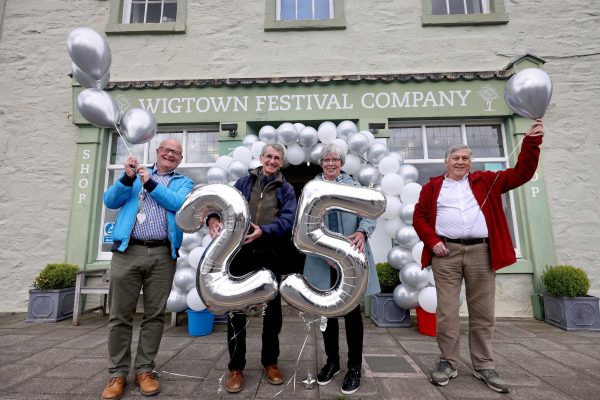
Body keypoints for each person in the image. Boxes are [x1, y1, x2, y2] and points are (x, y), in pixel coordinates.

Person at [412, 119, 544, 394]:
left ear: (471, 162)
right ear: (446, 161)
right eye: (456, 157)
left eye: (466, 158)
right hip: (445, 253)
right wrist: (433, 241)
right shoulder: (432, 187)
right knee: (447, 313)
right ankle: (448, 362)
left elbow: (523, 173)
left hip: (482, 253)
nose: (461, 162)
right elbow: (420, 217)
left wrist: (531, 142)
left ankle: (484, 365)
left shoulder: (487, 180)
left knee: (483, 313)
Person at [101, 139, 194, 400]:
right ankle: (117, 373)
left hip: (163, 254)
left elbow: (177, 204)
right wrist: (127, 179)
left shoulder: (183, 182)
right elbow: (110, 200)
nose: (170, 154)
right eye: (165, 149)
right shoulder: (134, 175)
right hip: (128, 252)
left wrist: (149, 184)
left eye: (175, 152)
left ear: (181, 158)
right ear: (156, 152)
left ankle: (145, 370)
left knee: (154, 316)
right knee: (120, 315)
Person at [207, 143, 297, 394]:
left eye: (277, 158)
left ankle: (270, 363)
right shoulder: (244, 183)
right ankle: (236, 368)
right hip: (240, 255)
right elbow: (224, 205)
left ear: (281, 162)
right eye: (269, 156)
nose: (272, 161)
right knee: (237, 311)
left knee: (273, 314)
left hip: (270, 256)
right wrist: (212, 217)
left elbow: (289, 220)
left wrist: (263, 231)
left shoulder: (287, 189)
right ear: (261, 158)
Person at [303, 143, 381, 395]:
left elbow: (369, 214)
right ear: (321, 162)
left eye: (335, 159)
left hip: (351, 260)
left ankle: (355, 367)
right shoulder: (311, 188)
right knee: (326, 312)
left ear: (342, 163)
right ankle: (332, 362)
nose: (330, 163)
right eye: (326, 159)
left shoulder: (354, 186)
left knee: (352, 314)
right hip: (321, 260)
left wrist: (362, 231)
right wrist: (322, 250)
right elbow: (304, 222)